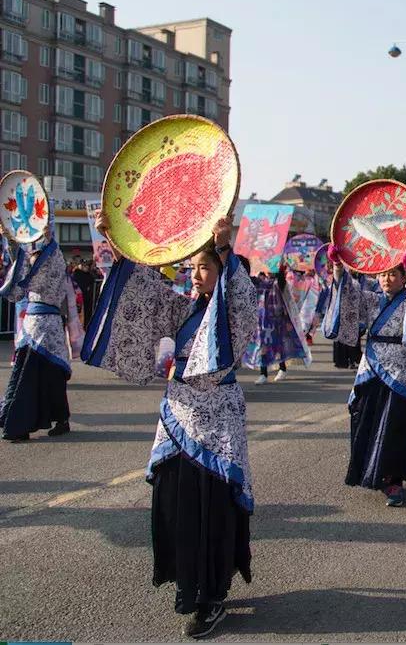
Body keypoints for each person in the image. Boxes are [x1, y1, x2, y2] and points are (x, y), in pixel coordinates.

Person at [83, 215, 255, 639]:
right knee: (175, 504)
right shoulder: (183, 308)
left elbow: (240, 298)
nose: (196, 275)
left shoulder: (235, 309)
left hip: (217, 422)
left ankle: (211, 596)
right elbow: (143, 291)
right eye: (192, 267)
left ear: (223, 271)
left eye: (206, 267)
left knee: (211, 509)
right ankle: (190, 583)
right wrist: (113, 239)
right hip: (177, 417)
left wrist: (226, 247)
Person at [327, 250, 406, 506]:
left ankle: (395, 482)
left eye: (393, 273)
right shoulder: (371, 300)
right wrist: (337, 267)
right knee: (366, 420)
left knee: (395, 428)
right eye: (382, 274)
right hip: (371, 369)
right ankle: (371, 473)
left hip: (401, 374)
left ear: (403, 278)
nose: (386, 279)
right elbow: (348, 294)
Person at [0, 234, 79, 441]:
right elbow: (21, 264)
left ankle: (56, 420)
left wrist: (43, 231)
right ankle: (25, 421)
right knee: (30, 375)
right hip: (32, 328)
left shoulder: (54, 262)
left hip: (48, 328)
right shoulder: (36, 268)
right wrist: (10, 238)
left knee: (50, 377)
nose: (32, 260)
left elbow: (26, 268)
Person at [243, 265, 310, 384]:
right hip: (262, 320)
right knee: (262, 347)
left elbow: (286, 295)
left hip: (277, 320)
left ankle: (282, 369)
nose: (268, 271)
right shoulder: (258, 281)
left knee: (279, 346)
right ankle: (263, 373)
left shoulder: (279, 282)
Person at [71, 258, 97, 326]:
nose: (86, 267)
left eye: (87, 266)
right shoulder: (76, 274)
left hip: (87, 299)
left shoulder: (89, 275)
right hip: (79, 299)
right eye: (84, 265)